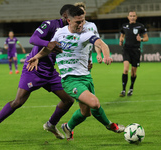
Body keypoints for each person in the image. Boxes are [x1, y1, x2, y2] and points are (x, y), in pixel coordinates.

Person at [0, 4, 74, 144]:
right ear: (66, 17)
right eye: (75, 18)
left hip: (50, 72)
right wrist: (49, 43)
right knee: (18, 102)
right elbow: (33, 39)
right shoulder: (50, 25)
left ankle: (51, 124)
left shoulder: (70, 31)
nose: (79, 22)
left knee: (68, 100)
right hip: (33, 68)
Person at [27, 6, 125, 140]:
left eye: (83, 21)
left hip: (86, 77)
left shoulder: (86, 34)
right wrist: (37, 57)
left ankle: (68, 127)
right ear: (69, 21)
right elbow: (49, 48)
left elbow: (102, 44)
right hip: (70, 79)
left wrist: (107, 55)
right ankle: (110, 125)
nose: (81, 25)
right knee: (95, 103)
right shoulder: (60, 33)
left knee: (86, 112)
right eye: (78, 22)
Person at [119, 10, 149, 97]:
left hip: (136, 50)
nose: (132, 17)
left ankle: (131, 88)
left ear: (136, 17)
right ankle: (123, 90)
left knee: (133, 72)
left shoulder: (140, 26)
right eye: (131, 16)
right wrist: (121, 40)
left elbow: (146, 38)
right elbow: (122, 35)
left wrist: (141, 39)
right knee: (125, 69)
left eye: (134, 16)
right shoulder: (124, 26)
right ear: (128, 17)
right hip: (126, 49)